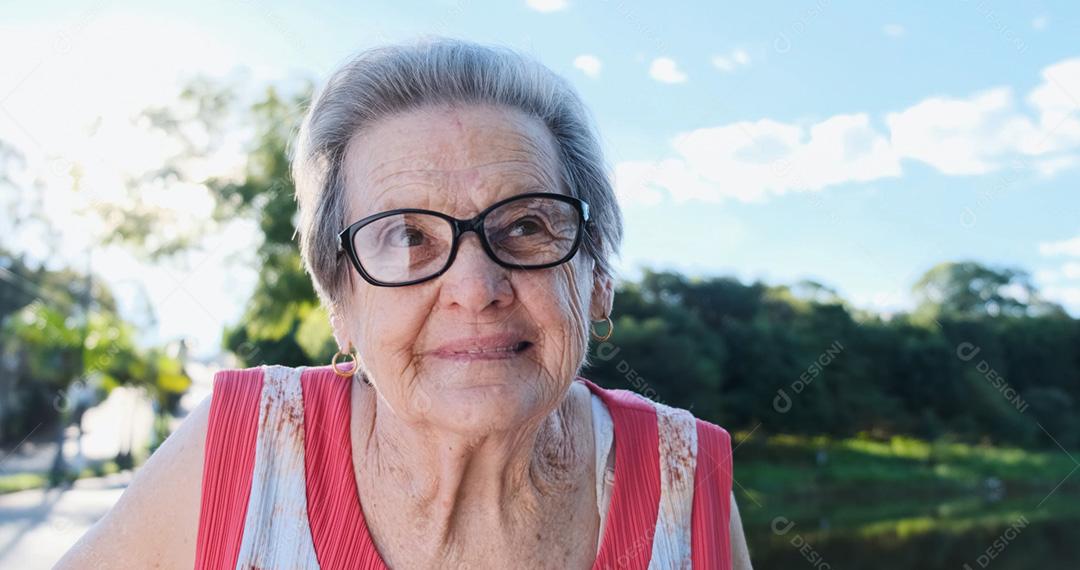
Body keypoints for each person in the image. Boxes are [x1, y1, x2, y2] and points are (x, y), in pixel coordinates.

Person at [56, 36, 754, 569]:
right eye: (408, 236)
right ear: (341, 302)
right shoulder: (238, 455)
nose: (477, 289)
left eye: (527, 225)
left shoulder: (684, 479)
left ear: (597, 275)